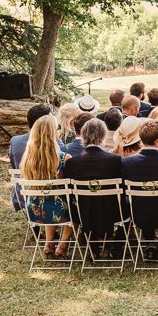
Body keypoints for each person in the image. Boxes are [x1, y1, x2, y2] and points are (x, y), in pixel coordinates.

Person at [122, 120, 158, 261]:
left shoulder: (127, 162)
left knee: (144, 201)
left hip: (138, 214)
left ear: (141, 140)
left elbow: (125, 189)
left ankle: (150, 243)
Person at [63, 118, 123, 257]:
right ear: (103, 136)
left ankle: (93, 247)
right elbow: (123, 187)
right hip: (112, 211)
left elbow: (68, 192)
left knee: (88, 202)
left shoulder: (72, 163)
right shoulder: (115, 160)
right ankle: (113, 245)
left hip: (82, 212)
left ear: (83, 135)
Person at [20, 114, 72, 259]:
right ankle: (62, 245)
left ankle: (49, 243)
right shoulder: (64, 158)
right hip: (60, 211)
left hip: (35, 210)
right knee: (74, 204)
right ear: (52, 133)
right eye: (57, 128)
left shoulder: (27, 158)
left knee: (50, 199)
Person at [9, 103, 62, 211]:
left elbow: (15, 166)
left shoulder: (15, 141)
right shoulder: (58, 145)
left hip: (24, 194)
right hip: (50, 196)